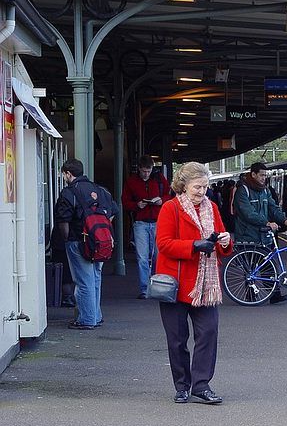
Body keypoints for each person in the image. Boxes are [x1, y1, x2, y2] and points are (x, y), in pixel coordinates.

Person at [155, 162, 232, 404]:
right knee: (177, 339)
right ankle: (181, 385)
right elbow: (163, 244)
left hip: (205, 287)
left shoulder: (213, 208)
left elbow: (222, 244)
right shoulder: (170, 208)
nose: (202, 192)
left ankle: (201, 385)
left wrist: (225, 240)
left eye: (205, 187)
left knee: (208, 333)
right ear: (184, 185)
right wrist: (194, 245)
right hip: (176, 285)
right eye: (197, 187)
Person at [54, 158, 119, 330]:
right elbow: (113, 211)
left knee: (84, 281)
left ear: (68, 173)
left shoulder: (69, 192)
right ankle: (95, 316)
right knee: (95, 278)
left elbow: (63, 219)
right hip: (101, 241)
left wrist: (67, 239)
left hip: (79, 241)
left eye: (65, 174)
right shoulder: (100, 190)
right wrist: (99, 230)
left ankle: (87, 319)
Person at [233, 162, 287, 304]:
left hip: (263, 235)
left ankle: (274, 294)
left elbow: (273, 208)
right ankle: (250, 295)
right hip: (247, 235)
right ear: (253, 174)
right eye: (261, 175)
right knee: (250, 269)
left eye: (265, 175)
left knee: (268, 265)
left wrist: (285, 221)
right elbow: (248, 213)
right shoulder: (242, 191)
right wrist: (267, 223)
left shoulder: (264, 190)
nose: (264, 178)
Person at [122, 155, 170, 299]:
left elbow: (170, 195)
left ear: (152, 169)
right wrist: (136, 205)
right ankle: (145, 289)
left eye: (148, 171)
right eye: (143, 171)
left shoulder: (159, 179)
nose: (146, 174)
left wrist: (161, 200)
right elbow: (124, 201)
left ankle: (154, 286)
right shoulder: (131, 182)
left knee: (157, 255)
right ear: (139, 169)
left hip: (156, 221)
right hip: (141, 222)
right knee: (142, 257)